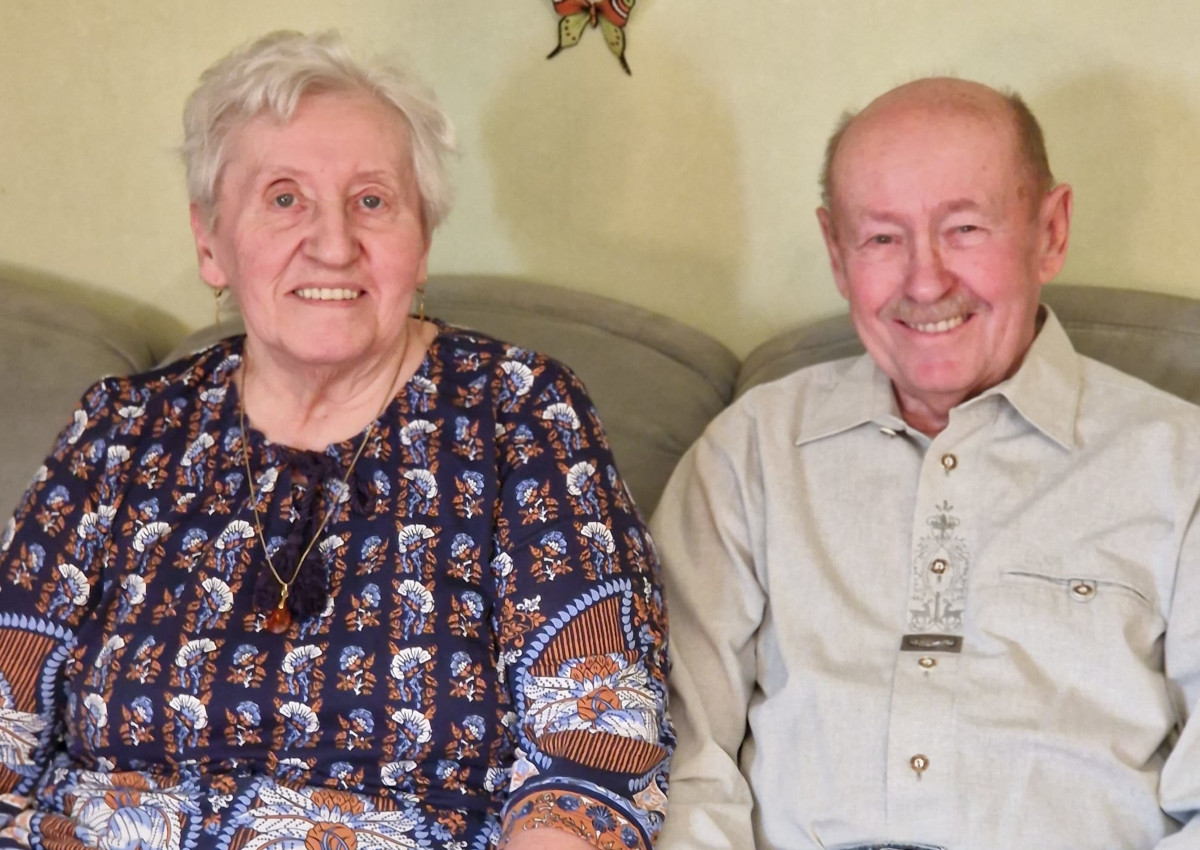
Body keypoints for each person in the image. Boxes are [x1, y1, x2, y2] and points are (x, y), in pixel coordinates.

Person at [0, 30, 670, 850]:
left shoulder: (523, 417)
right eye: (284, 198)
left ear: (421, 242)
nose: (332, 242)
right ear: (210, 241)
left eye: (372, 200)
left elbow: (593, 760)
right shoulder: (119, 431)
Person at [652, 76, 1200, 849]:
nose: (925, 280)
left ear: (1050, 230)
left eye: (966, 228)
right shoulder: (751, 453)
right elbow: (674, 752)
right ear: (837, 256)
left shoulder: (1181, 467)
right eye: (881, 237)